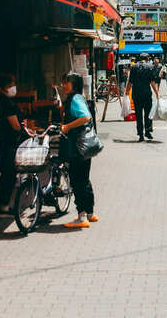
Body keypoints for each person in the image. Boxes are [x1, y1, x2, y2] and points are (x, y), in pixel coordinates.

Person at [60, 72, 98, 229]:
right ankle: (89, 213)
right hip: (84, 147)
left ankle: (82, 216)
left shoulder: (75, 99)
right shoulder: (78, 97)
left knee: (77, 180)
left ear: (73, 84)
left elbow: (85, 117)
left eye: (66, 82)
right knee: (84, 178)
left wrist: (67, 126)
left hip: (78, 146)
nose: (63, 85)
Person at [0, 74, 24, 218]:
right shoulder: (7, 103)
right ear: (4, 88)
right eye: (11, 85)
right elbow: (15, 126)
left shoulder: (3, 101)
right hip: (10, 142)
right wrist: (25, 130)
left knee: (6, 173)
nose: (13, 88)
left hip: (5, 141)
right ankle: (3, 207)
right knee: (10, 173)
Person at [127, 53, 159, 142]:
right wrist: (157, 93)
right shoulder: (150, 67)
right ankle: (148, 131)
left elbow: (130, 81)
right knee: (148, 114)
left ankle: (140, 134)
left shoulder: (134, 67)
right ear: (147, 59)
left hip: (136, 94)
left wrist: (126, 92)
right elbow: (152, 82)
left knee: (138, 114)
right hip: (146, 94)